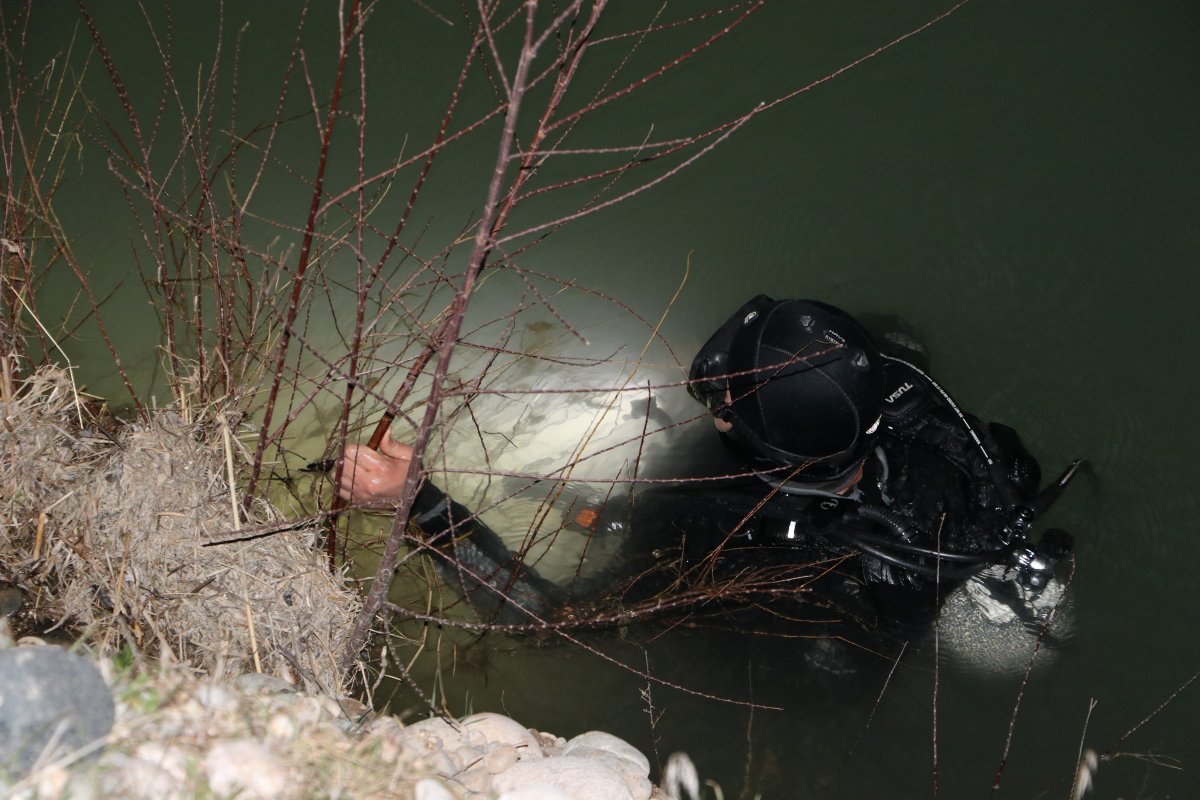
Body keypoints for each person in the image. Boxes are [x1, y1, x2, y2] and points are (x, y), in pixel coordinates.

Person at [337, 295, 1078, 629]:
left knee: (621, 529)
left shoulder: (713, 519)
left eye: (731, 395)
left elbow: (551, 618)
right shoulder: (911, 397)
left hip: (809, 623)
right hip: (924, 555)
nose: (716, 391)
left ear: (756, 444)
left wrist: (422, 508)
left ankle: (588, 511)